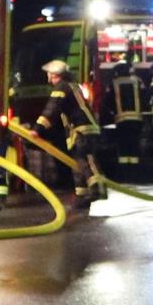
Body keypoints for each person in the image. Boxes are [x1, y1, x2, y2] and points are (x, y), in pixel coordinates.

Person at [34, 58, 104, 202]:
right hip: (84, 127)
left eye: (49, 73)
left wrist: (37, 129)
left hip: (81, 128)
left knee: (86, 158)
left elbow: (51, 109)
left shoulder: (61, 88)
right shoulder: (72, 85)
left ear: (54, 75)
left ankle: (97, 189)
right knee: (79, 161)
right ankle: (82, 193)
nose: (47, 76)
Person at [103, 58, 145, 176]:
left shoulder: (114, 82)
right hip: (137, 119)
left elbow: (107, 101)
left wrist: (111, 113)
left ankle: (124, 173)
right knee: (134, 144)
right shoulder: (138, 81)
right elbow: (145, 97)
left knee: (123, 145)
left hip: (121, 119)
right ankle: (135, 173)